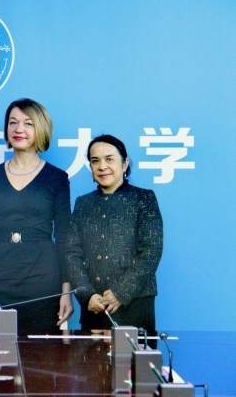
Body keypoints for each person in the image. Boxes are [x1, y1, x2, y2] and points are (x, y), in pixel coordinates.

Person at [0, 98, 73, 334]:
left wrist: (67, 290)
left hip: (42, 278)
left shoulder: (57, 178)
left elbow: (64, 237)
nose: (19, 129)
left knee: (39, 352)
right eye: (13, 122)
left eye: (28, 123)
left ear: (41, 129)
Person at [64, 134, 163, 333]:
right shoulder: (83, 203)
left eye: (109, 159)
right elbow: (71, 254)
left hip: (135, 304)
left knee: (135, 354)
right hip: (94, 306)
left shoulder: (144, 198)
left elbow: (151, 252)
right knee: (92, 354)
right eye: (95, 161)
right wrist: (87, 295)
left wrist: (120, 292)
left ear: (124, 163)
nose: (102, 166)